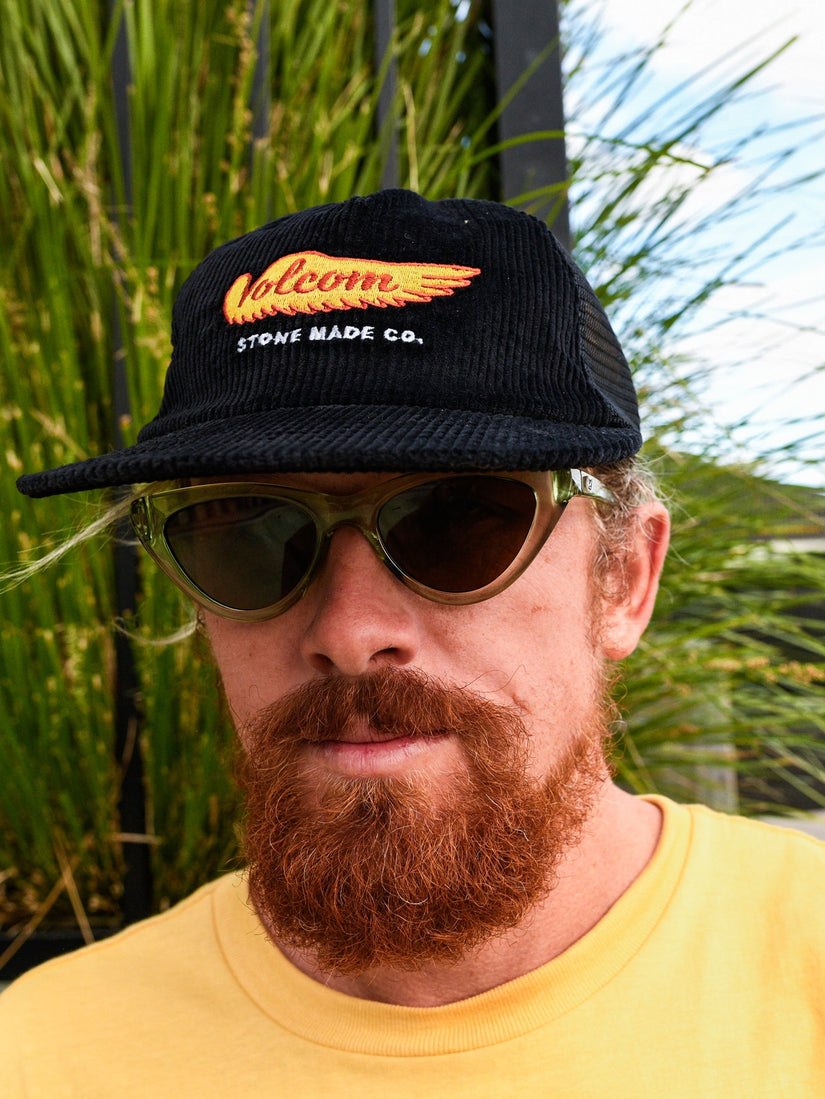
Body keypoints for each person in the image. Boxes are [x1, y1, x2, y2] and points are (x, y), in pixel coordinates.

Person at [1, 189, 823, 1097]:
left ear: (623, 576)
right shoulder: (41, 1053)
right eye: (249, 532)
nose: (350, 632)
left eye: (457, 518)